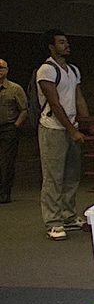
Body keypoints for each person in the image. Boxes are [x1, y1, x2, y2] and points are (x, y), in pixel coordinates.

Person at [36, 29, 91, 241]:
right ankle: (53, 222)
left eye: (66, 42)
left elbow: (78, 99)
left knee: (71, 175)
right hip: (52, 129)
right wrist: (71, 130)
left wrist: (87, 124)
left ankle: (68, 215)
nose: (66, 45)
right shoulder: (46, 70)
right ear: (51, 46)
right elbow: (55, 103)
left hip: (72, 128)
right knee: (53, 176)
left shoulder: (73, 70)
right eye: (61, 42)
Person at [0, 58, 28, 204]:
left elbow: (24, 109)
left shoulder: (15, 88)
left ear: (7, 70)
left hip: (8, 128)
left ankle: (5, 192)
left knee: (7, 162)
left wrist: (16, 125)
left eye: (1, 68)